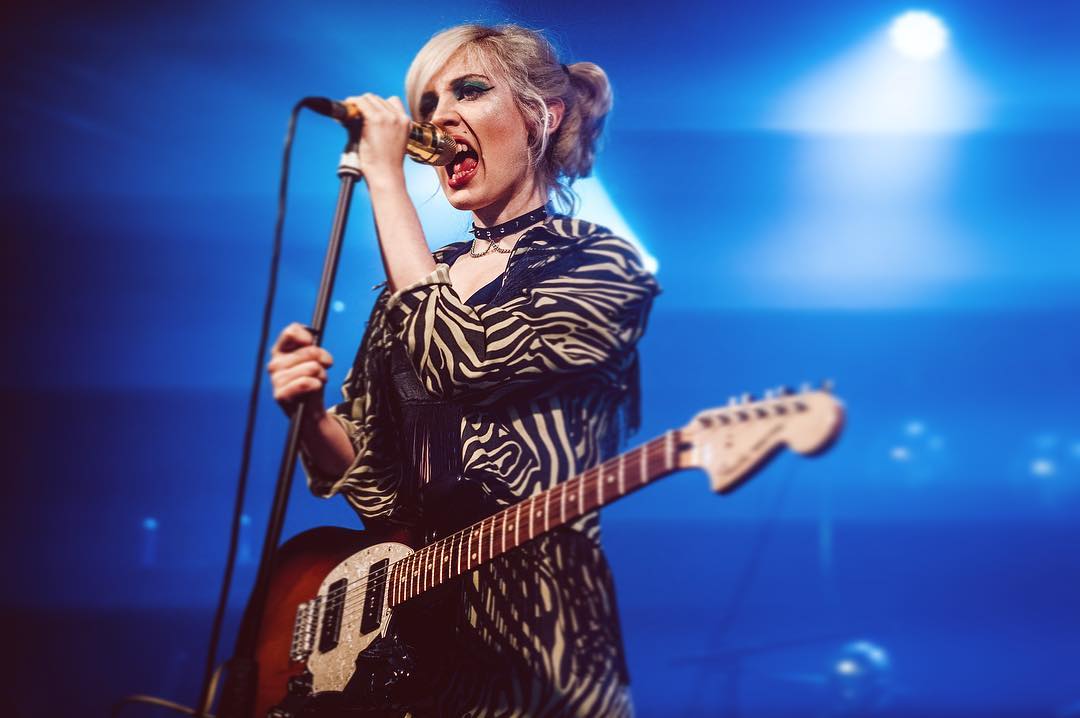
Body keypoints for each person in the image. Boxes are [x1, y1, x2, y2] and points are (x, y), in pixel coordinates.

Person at [267, 23, 659, 717]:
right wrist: (310, 416)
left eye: (470, 91)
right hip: (411, 651)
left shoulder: (601, 268)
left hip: (538, 650)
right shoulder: (407, 288)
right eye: (428, 103)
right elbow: (379, 489)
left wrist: (385, 178)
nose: (439, 118)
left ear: (544, 115)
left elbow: (462, 360)